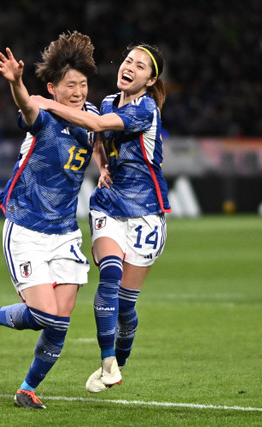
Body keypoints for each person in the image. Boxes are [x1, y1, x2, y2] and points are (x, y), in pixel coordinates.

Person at [0, 31, 98, 409]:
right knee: (43, 314)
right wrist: (17, 83)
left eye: (84, 84)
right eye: (70, 85)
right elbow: (26, 106)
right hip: (25, 227)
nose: (78, 92)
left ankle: (27, 388)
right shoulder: (42, 118)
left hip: (65, 232)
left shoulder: (90, 117)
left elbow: (103, 134)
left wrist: (104, 167)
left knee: (60, 323)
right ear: (53, 88)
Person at [33, 43, 171, 393]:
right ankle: (108, 363)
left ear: (150, 79)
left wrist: (49, 103)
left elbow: (93, 122)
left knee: (126, 305)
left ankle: (119, 359)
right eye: (128, 60)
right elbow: (98, 137)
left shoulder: (146, 108)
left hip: (145, 212)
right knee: (108, 275)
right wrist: (102, 162)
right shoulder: (110, 101)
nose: (130, 67)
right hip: (108, 204)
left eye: (140, 66)